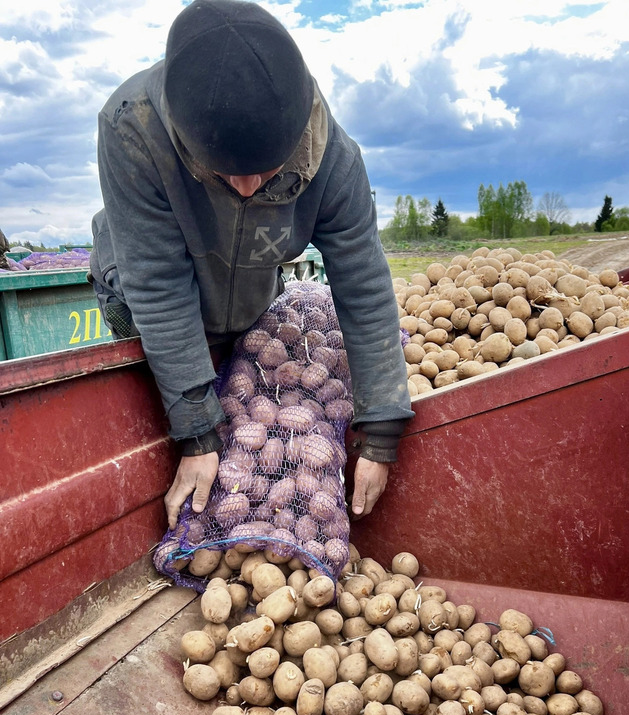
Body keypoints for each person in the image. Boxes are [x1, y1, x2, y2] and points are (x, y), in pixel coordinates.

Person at [90, 0, 412, 530]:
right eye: (224, 173)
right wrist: (196, 431)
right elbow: (158, 283)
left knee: (244, 379)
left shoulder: (334, 158)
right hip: (141, 295)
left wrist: (380, 431)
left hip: (247, 294)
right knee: (163, 392)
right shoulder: (134, 129)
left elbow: (364, 286)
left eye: (267, 172)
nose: (246, 190)